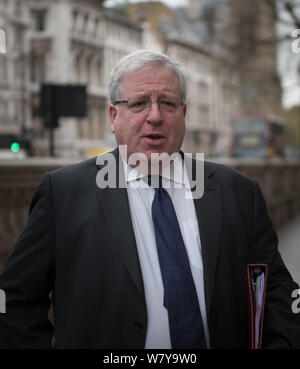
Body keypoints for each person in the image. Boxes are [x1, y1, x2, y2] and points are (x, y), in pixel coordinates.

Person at [0, 49, 299, 349]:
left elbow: (278, 290)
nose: (154, 116)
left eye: (167, 103)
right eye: (139, 103)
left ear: (183, 114)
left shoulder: (239, 193)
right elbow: (14, 300)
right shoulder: (63, 194)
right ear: (113, 116)